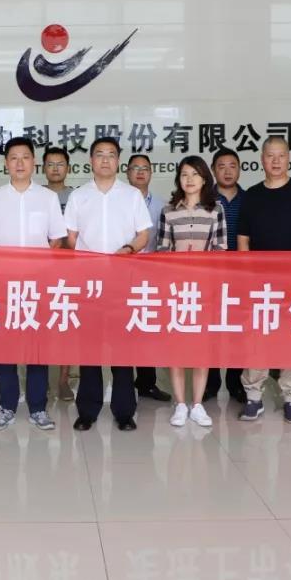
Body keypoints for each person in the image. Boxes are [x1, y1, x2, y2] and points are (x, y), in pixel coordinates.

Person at [0, 137, 66, 432]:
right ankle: (7, 406)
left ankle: (38, 408)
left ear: (34, 162)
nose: (19, 163)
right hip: (4, 286)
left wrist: (40, 269)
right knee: (5, 350)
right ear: (6, 163)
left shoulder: (47, 198)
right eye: (13, 158)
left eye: (25, 157)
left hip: (37, 286)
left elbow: (56, 239)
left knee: (37, 350)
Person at [66, 137, 152, 433]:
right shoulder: (79, 196)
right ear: (91, 160)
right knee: (89, 349)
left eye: (111, 155)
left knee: (122, 350)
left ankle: (124, 411)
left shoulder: (131, 195)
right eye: (100, 154)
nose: (105, 160)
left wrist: (128, 249)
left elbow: (144, 234)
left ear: (118, 161)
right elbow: (71, 238)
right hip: (88, 284)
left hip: (122, 282)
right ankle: (87, 410)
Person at [236, 136, 291, 424]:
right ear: (262, 159)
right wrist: (248, 275)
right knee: (256, 339)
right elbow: (243, 240)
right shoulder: (252, 195)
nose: (275, 161)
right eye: (270, 155)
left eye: (281, 155)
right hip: (258, 283)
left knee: (290, 339)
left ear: (288, 158)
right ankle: (253, 396)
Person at [156, 155, 227, 427]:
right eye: (184, 174)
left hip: (204, 291)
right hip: (176, 291)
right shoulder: (169, 211)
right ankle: (180, 404)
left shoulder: (215, 210)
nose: (189, 179)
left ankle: (197, 404)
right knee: (176, 349)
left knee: (201, 350)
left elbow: (221, 250)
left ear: (204, 179)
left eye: (195, 174)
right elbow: (162, 250)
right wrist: (177, 261)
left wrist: (201, 262)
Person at [126, 153, 172, 403]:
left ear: (151, 173)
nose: (141, 172)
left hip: (152, 275)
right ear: (127, 172)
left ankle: (146, 383)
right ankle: (123, 383)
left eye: (145, 168)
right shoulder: (119, 201)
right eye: (136, 168)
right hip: (123, 273)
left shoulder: (163, 205)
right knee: (124, 329)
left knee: (147, 329)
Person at [204, 148, 247, 404]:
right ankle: (210, 384)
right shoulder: (204, 198)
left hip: (241, 274)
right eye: (222, 166)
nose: (228, 171)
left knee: (237, 330)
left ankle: (235, 383)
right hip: (211, 273)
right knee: (210, 328)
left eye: (233, 165)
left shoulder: (250, 198)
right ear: (213, 170)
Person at [43, 146, 77, 401]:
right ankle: (41, 378)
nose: (55, 169)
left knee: (66, 325)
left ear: (68, 168)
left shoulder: (76, 197)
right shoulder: (36, 196)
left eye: (60, 164)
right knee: (40, 324)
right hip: (41, 270)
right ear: (43, 168)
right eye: (50, 164)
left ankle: (64, 380)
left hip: (70, 270)